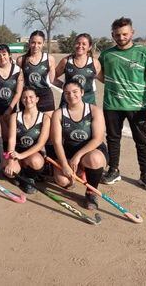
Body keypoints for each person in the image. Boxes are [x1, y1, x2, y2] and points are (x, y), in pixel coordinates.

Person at [98, 17, 146, 191]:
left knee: (142, 141)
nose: (121, 37)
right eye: (117, 34)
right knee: (113, 139)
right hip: (112, 105)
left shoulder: (145, 53)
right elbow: (101, 76)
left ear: (132, 33)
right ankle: (113, 170)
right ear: (112, 35)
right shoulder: (106, 55)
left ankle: (145, 174)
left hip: (139, 106)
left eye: (125, 34)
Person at [49, 79, 107, 210]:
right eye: (67, 93)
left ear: (82, 92)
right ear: (64, 95)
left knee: (94, 159)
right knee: (63, 181)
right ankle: (82, 171)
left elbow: (98, 139)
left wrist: (78, 156)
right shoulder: (58, 113)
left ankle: (91, 193)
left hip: (91, 150)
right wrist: (64, 165)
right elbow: (57, 142)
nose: (71, 96)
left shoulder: (94, 110)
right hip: (69, 151)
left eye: (75, 92)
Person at [2, 87, 50, 194]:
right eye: (24, 97)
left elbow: (40, 143)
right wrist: (10, 160)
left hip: (33, 153)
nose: (28, 100)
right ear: (22, 100)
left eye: (31, 97)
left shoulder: (45, 118)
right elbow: (11, 140)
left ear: (37, 99)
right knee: (9, 171)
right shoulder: (15, 116)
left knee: (36, 162)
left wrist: (21, 156)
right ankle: (21, 175)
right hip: (16, 152)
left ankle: (29, 178)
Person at [54, 33, 101, 106]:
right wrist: (65, 86)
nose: (80, 46)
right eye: (78, 43)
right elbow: (52, 77)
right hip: (68, 100)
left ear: (89, 47)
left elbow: (103, 79)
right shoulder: (66, 61)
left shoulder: (94, 63)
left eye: (84, 44)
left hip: (88, 100)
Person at [17, 31, 56, 114]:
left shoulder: (50, 59)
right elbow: (18, 81)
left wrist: (70, 86)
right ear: (29, 42)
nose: (36, 46)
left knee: (48, 123)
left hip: (45, 96)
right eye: (33, 42)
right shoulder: (21, 60)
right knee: (27, 124)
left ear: (43, 44)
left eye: (39, 43)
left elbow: (53, 80)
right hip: (28, 96)